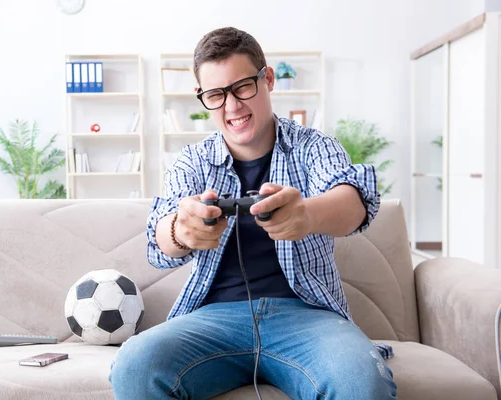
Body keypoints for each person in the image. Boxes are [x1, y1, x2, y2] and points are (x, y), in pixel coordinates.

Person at [109, 26, 397, 400]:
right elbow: (159, 240)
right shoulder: (192, 162)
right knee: (135, 366)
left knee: (362, 382)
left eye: (242, 87)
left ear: (268, 79)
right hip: (212, 320)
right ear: (202, 98)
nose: (232, 106)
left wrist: (306, 215)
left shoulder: (314, 146)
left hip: (308, 318)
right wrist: (183, 231)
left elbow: (357, 201)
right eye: (215, 95)